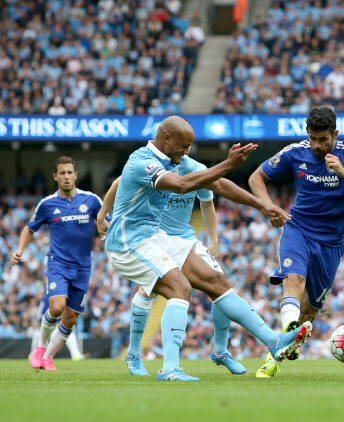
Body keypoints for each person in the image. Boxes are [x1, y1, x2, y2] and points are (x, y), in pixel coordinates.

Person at [103, 116, 312, 381]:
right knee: (179, 287)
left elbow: (218, 184)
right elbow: (181, 186)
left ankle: (274, 340)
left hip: (156, 237)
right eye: (184, 145)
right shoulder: (142, 161)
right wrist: (227, 163)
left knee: (216, 280)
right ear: (167, 139)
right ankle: (168, 368)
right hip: (128, 242)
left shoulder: (180, 162)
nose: (187, 150)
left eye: (190, 146)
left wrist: (262, 205)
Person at [248, 106, 344, 378]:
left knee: (309, 311)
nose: (317, 145)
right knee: (293, 280)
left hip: (332, 243)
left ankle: (290, 338)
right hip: (297, 229)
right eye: (312, 138)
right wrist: (268, 206)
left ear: (335, 134)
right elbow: (256, 177)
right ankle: (277, 350)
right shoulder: (294, 152)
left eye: (323, 139)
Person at [12, 156, 104, 370]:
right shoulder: (47, 204)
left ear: (76, 175)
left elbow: (104, 220)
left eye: (69, 172)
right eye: (62, 173)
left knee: (70, 319)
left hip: (83, 268)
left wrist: (105, 231)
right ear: (55, 176)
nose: (66, 177)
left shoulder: (91, 200)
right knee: (56, 307)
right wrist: (19, 249)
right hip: (58, 264)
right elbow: (30, 228)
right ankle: (40, 348)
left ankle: (49, 356)